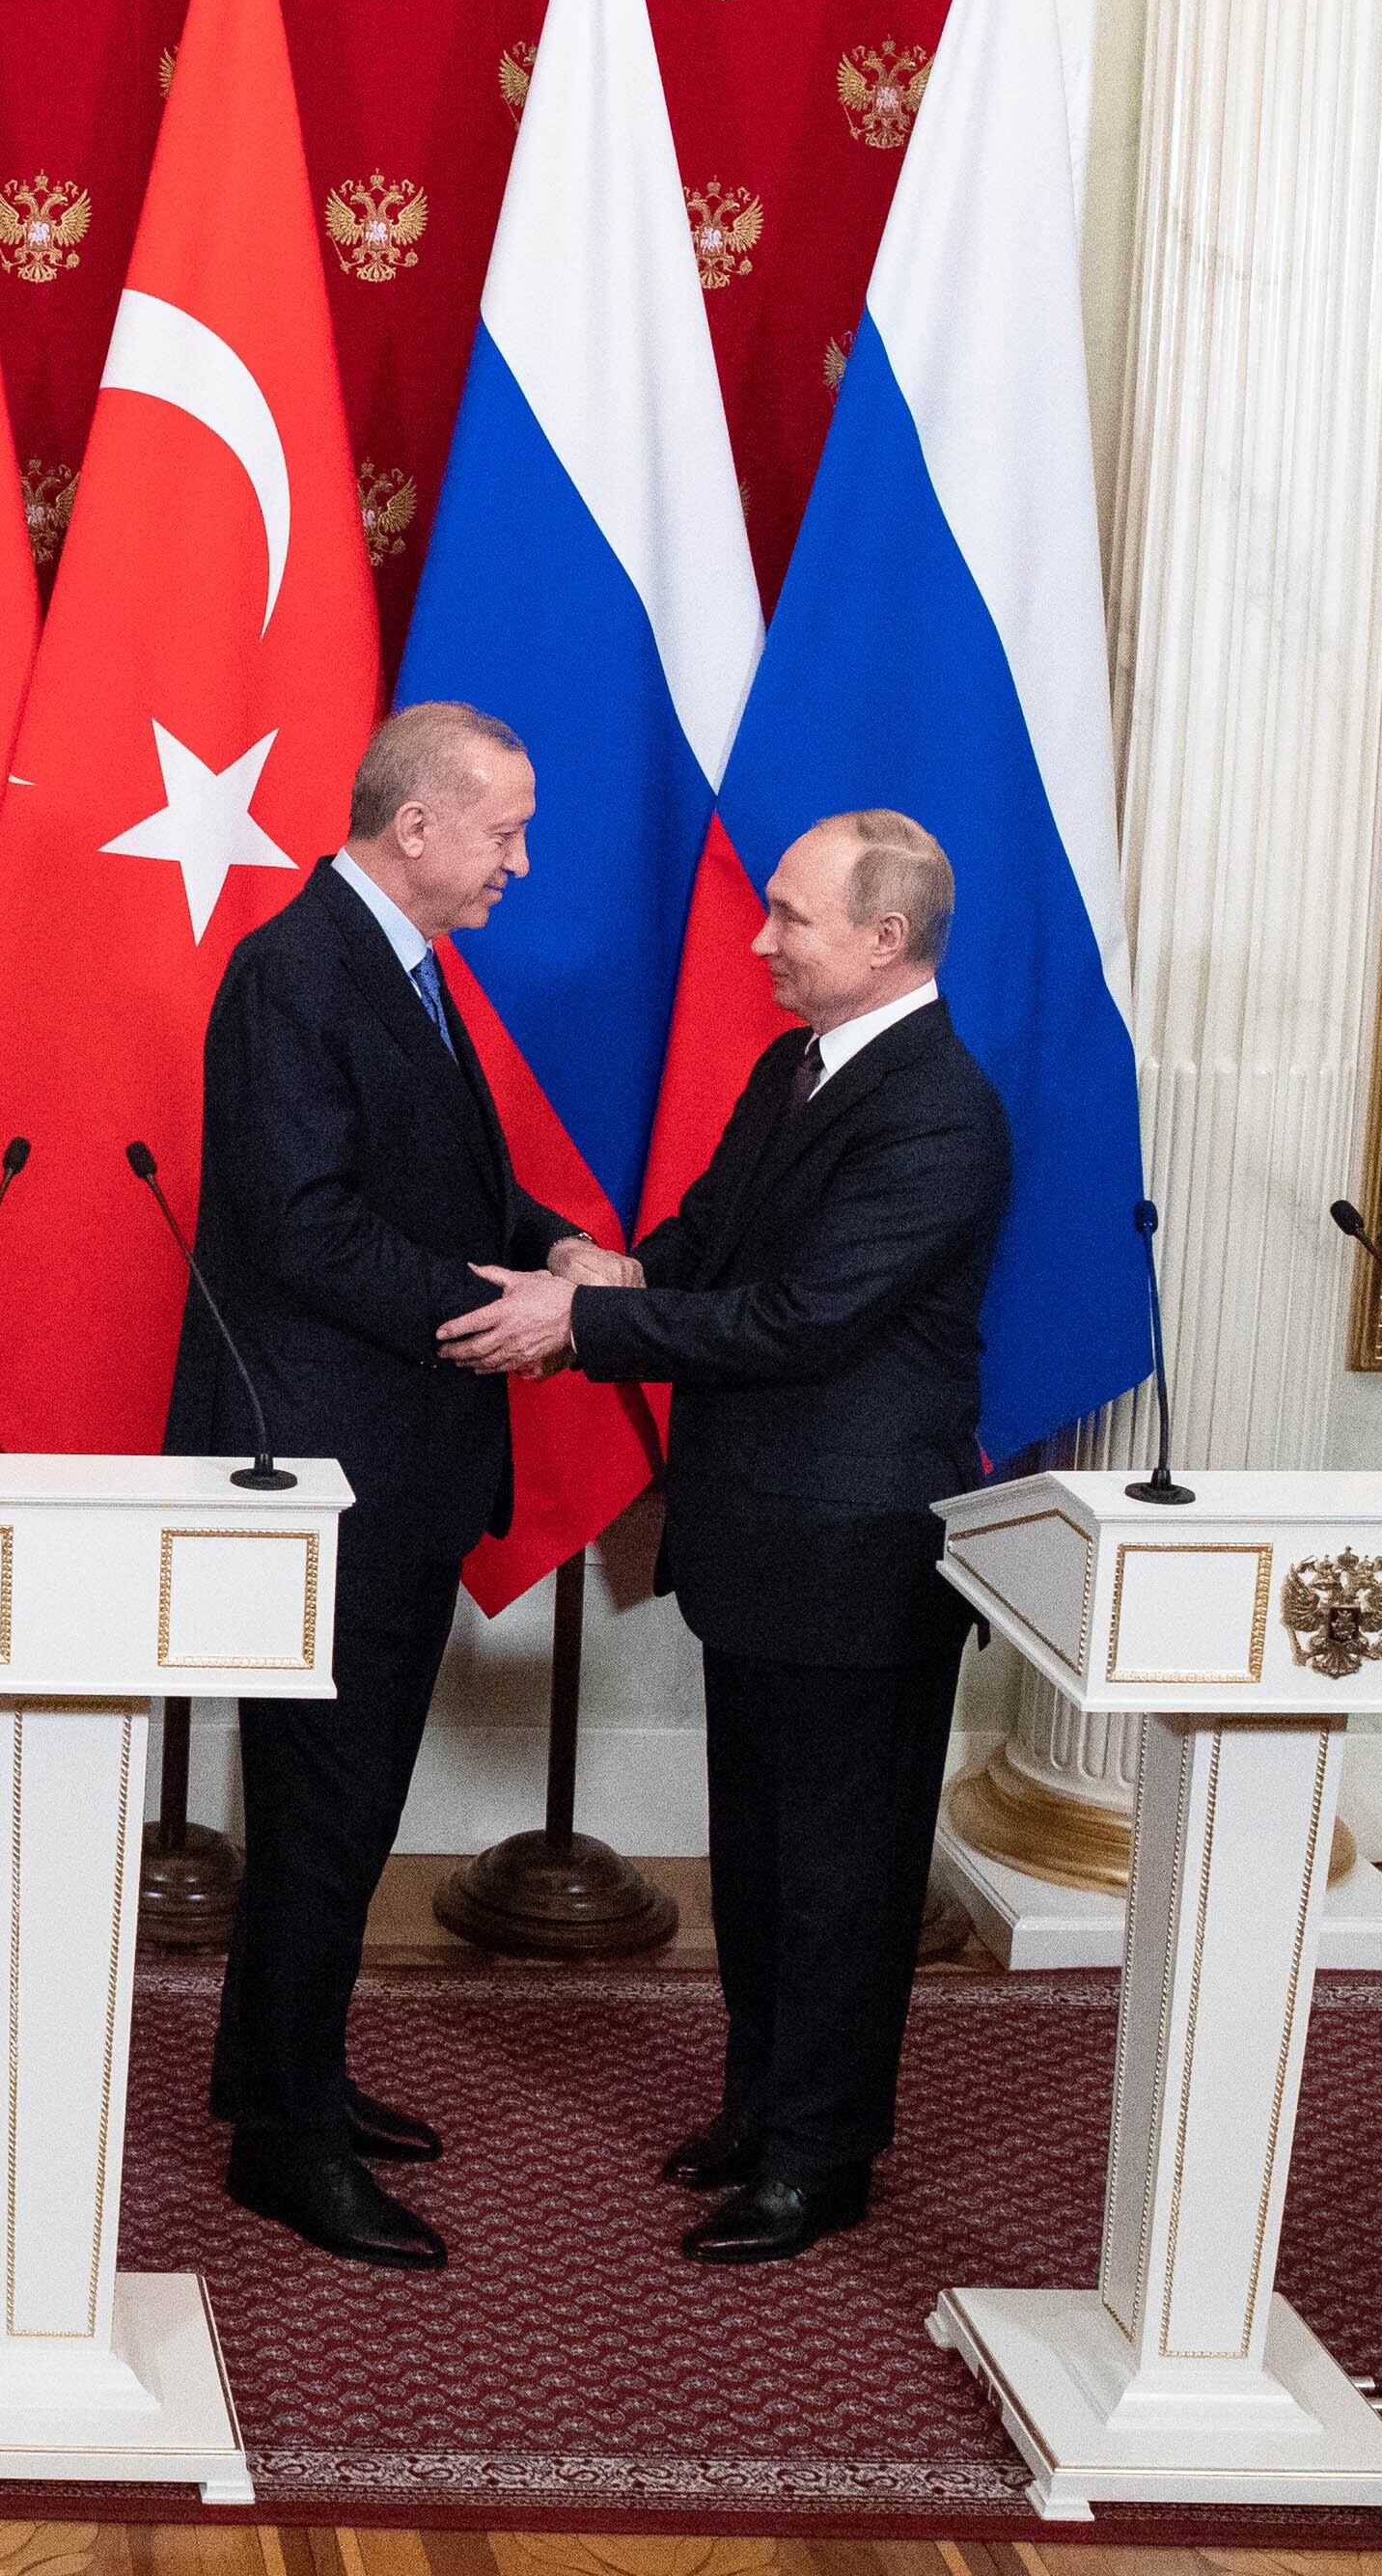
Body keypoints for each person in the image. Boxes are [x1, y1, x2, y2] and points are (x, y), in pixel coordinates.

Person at [442, 808, 1009, 2264]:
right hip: (762, 1545)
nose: (760, 939)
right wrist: (599, 1269)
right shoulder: (796, 1066)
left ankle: (823, 2160)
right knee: (758, 1865)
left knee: (842, 1881)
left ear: (885, 938)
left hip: (857, 1559)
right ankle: (761, 2110)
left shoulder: (941, 1110)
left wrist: (584, 1327)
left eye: (791, 916)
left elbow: (803, 1320)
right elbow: (709, 1245)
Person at [174, 701, 607, 2273]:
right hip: (327, 1473)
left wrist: (554, 1243)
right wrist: (502, 1310)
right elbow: (302, 1223)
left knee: (339, 1810)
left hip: (392, 1464)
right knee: (323, 1809)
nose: (519, 861)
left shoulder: (398, 964)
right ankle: (281, 2148)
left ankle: (278, 2075)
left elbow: (432, 1186)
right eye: (504, 830)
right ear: (413, 825)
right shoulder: (295, 970)